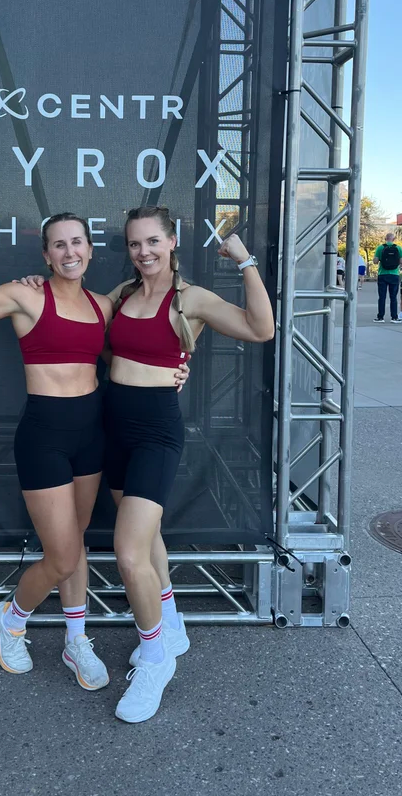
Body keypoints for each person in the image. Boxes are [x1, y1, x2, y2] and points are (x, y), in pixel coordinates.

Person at [0, 213, 189, 694]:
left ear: (90, 251)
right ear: (45, 255)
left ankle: (76, 640)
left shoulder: (101, 306)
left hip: (92, 434)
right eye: (58, 246)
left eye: (77, 243)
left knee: (80, 543)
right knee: (63, 556)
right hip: (44, 436)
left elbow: (135, 350)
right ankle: (10, 618)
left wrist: (176, 369)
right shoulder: (26, 295)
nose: (69, 252)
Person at [105, 206, 274, 722]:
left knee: (128, 552)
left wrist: (246, 263)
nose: (144, 252)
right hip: (112, 428)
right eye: (135, 244)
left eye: (153, 241)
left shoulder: (192, 298)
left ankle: (155, 659)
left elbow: (260, 329)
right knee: (148, 536)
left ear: (172, 241)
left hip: (157, 429)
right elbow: (76, 317)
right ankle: (171, 625)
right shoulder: (122, 293)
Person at [372, 232, 402, 322]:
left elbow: (375, 261)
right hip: (394, 275)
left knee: (382, 297)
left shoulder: (380, 247)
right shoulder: (398, 248)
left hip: (382, 274)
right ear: (394, 239)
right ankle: (394, 317)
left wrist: (379, 259)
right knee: (393, 297)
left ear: (385, 239)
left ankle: (380, 317)